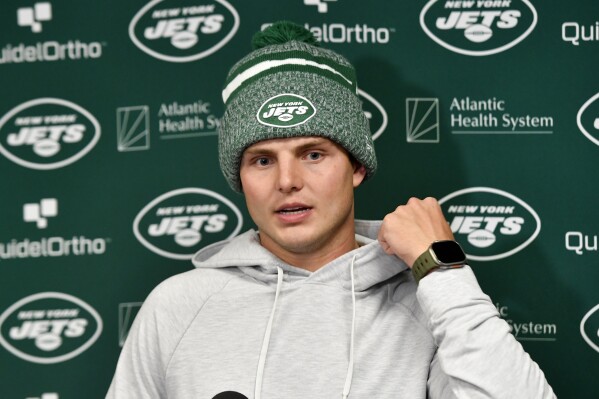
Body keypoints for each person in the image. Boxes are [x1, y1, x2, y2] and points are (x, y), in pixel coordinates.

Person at [107, 22, 556, 399]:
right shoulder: (177, 307)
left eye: (313, 154)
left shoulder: (423, 304)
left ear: (357, 166)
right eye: (262, 160)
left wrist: (442, 268)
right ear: (239, 178)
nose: (287, 181)